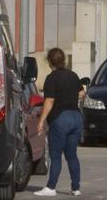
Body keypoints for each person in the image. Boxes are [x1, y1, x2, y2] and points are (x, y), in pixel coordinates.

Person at [35, 47, 83, 197]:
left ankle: (51, 187)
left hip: (60, 119)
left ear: (50, 62)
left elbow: (49, 101)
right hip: (76, 117)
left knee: (55, 155)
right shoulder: (73, 75)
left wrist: (41, 121)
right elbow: (82, 92)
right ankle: (76, 188)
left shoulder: (51, 78)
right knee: (72, 154)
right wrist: (71, 97)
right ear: (64, 60)